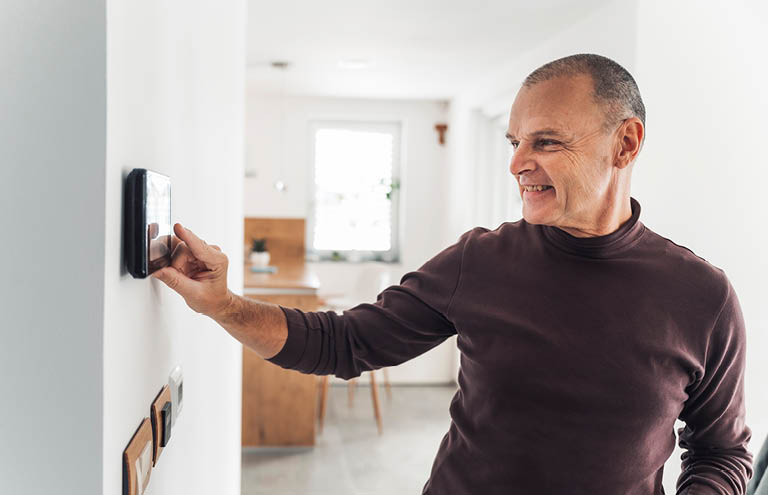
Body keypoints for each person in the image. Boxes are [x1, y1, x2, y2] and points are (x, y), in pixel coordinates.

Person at [152, 53, 753, 495]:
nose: (517, 163)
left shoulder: (702, 296)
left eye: (545, 142)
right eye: (515, 140)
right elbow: (345, 343)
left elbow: (721, 453)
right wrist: (224, 304)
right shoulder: (481, 261)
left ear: (625, 143)